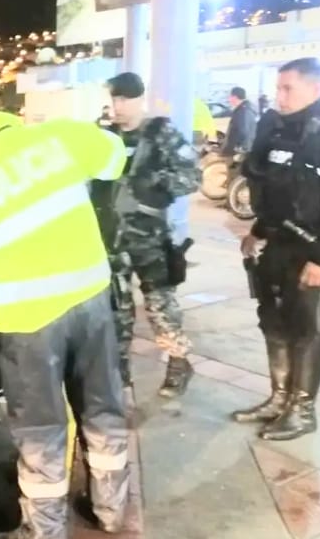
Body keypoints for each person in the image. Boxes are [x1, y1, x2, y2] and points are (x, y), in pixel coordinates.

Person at [0, 89, 130, 539]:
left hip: (28, 322)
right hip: (91, 300)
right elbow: (115, 157)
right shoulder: (59, 138)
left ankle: (45, 531)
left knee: (40, 430)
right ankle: (110, 510)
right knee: (102, 406)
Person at [95, 72, 201, 397]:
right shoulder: (103, 135)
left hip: (150, 239)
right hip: (112, 239)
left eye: (125, 99)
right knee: (116, 312)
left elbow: (192, 176)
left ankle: (178, 363)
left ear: (140, 99)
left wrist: (153, 184)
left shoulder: (160, 132)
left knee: (160, 307)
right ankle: (120, 377)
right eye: (115, 99)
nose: (118, 106)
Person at [233, 57, 320, 441]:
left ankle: (302, 410)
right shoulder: (278, 130)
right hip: (276, 244)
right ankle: (280, 398)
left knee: (307, 329)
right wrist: (257, 231)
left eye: (289, 88)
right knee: (273, 320)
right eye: (278, 88)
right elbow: (275, 190)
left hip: (312, 250)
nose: (280, 96)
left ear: (316, 88)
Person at [222, 86, 258, 158]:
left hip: (238, 152)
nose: (229, 99)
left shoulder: (242, 111)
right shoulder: (246, 109)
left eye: (230, 97)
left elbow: (243, 132)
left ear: (235, 97)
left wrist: (235, 148)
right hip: (243, 149)